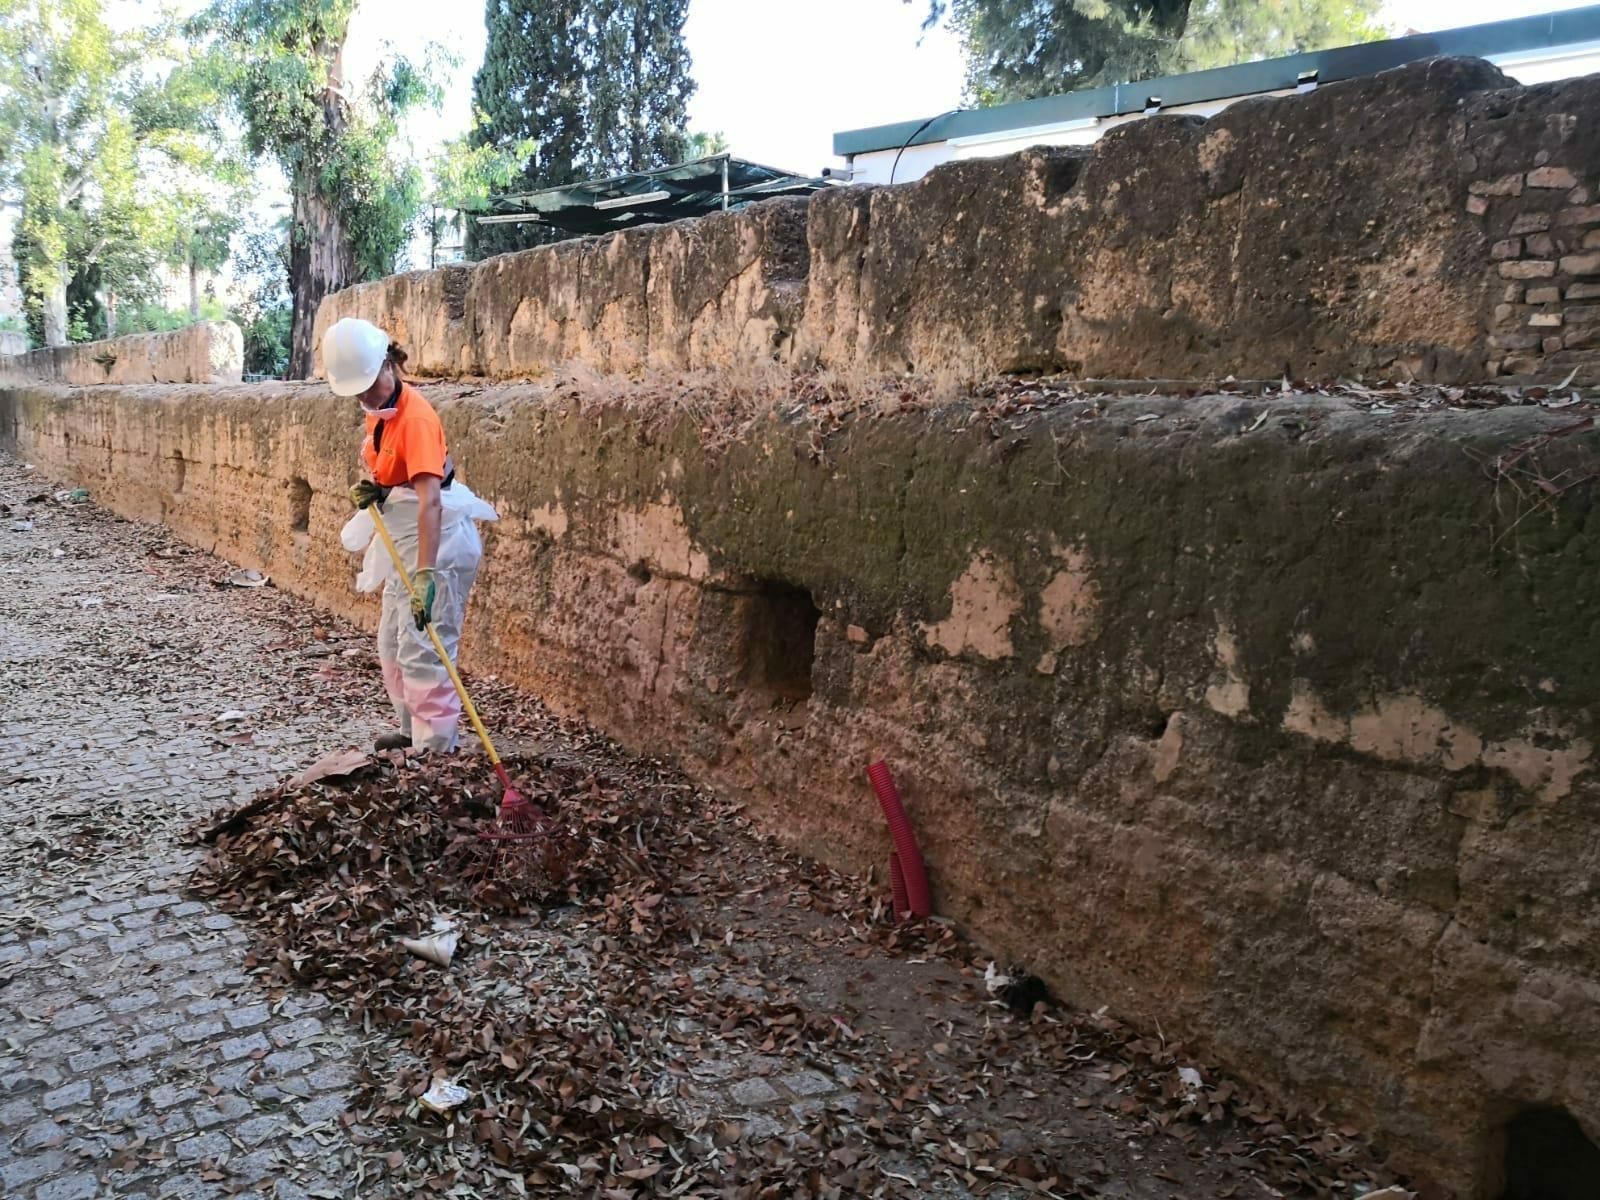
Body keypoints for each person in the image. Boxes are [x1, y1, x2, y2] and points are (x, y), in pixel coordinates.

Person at [325, 317, 497, 753]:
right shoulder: (380, 412)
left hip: (437, 545)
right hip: (404, 539)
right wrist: (379, 490)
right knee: (392, 640)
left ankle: (435, 748)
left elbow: (431, 502)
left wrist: (425, 574)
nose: (364, 397)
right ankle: (410, 730)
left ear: (388, 365)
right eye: (357, 391)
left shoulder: (415, 419)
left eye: (368, 386)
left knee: (425, 646)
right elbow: (393, 469)